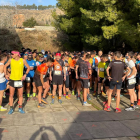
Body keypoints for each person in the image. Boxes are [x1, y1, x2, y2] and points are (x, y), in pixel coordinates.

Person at [4, 50, 30, 114]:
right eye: (11, 54)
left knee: (20, 95)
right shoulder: (10, 60)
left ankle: (20, 108)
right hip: (12, 79)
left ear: (17, 54)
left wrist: (25, 75)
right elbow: (5, 66)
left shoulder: (23, 60)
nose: (11, 55)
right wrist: (6, 74)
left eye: (12, 54)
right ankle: (11, 108)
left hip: (19, 80)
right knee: (11, 95)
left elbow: (28, 68)